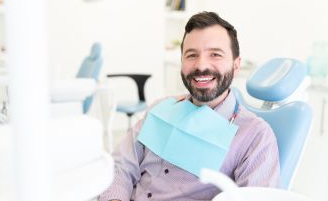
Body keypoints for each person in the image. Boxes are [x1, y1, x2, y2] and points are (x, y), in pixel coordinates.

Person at [98, 11, 280, 201]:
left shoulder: (255, 137)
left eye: (215, 54)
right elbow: (120, 166)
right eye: (192, 55)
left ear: (236, 65)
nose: (201, 65)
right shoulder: (160, 109)